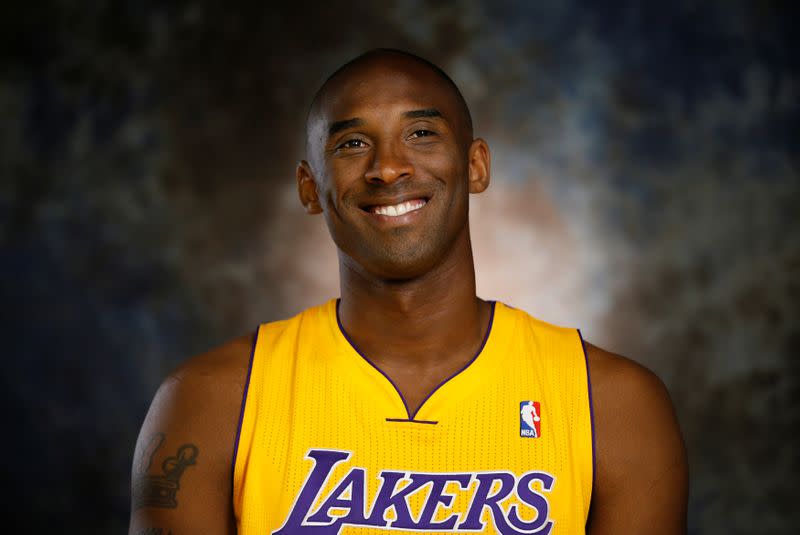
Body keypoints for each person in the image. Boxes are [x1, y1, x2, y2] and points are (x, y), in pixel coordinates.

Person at [129, 48, 688, 534]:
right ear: (310, 189)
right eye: (351, 143)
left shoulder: (613, 405)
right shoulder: (211, 402)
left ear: (475, 165)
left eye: (421, 134)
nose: (389, 167)